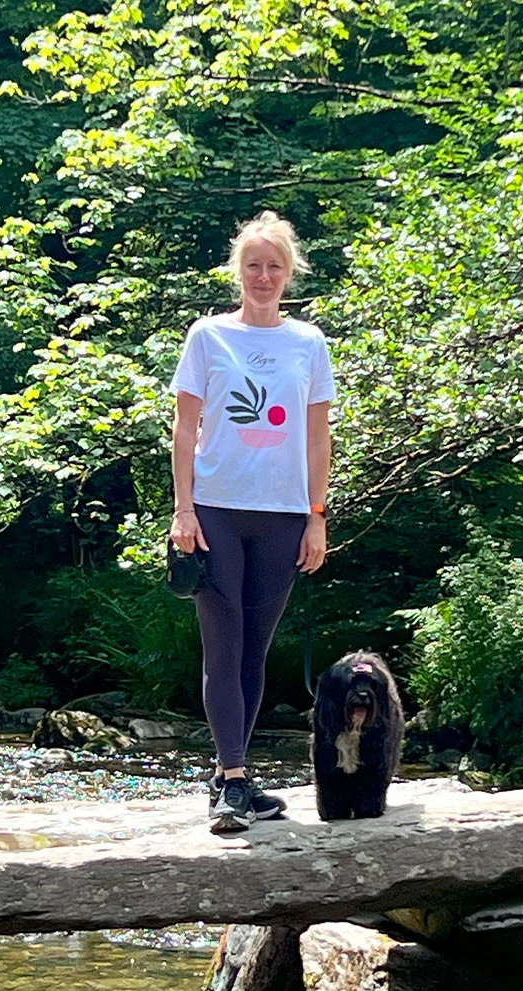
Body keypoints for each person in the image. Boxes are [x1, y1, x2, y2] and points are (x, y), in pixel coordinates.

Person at [168, 211, 334, 834]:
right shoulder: (208, 336)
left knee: (254, 654)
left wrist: (316, 516)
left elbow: (318, 436)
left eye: (275, 266)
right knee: (223, 644)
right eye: (253, 265)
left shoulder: (307, 343)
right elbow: (185, 429)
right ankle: (232, 780)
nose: (263, 276)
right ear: (237, 271)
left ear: (290, 274)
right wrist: (183, 510)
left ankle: (232, 776)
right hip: (215, 511)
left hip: (285, 514)